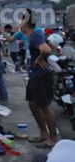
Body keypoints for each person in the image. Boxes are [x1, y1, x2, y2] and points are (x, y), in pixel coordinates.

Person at [21, 10, 58, 149]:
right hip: (34, 75)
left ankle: (53, 138)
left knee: (44, 106)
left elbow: (47, 50)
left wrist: (40, 58)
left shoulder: (35, 35)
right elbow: (50, 47)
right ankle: (43, 133)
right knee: (33, 104)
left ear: (24, 23)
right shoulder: (32, 36)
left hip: (40, 75)